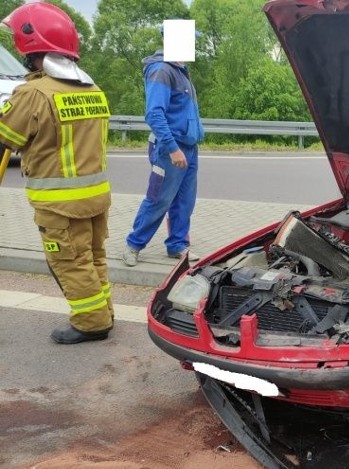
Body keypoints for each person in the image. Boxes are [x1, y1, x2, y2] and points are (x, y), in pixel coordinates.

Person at [0, 2, 114, 344]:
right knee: (92, 258)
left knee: (69, 262)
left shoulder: (34, 93)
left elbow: (7, 136)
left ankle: (91, 323)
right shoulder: (92, 89)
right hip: (96, 197)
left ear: (30, 50)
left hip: (60, 204)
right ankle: (103, 311)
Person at [123, 30, 204, 266]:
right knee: (159, 199)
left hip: (188, 146)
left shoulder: (180, 71)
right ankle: (134, 245)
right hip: (172, 148)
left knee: (184, 201)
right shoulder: (162, 70)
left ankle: (177, 245)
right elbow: (154, 114)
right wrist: (172, 148)